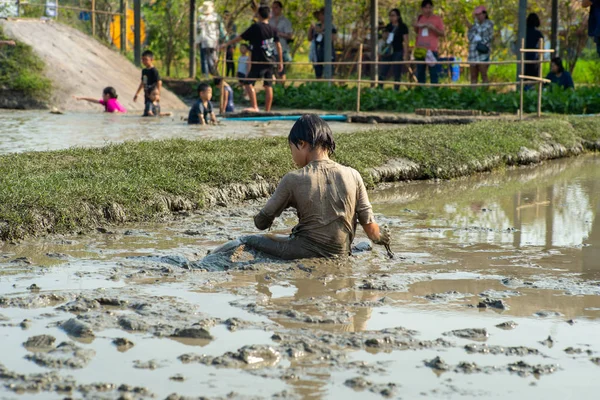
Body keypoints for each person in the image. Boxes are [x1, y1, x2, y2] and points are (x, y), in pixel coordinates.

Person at [209, 114, 392, 260]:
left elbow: (261, 224)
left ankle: (205, 261)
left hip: (303, 251)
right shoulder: (353, 175)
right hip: (341, 253)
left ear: (302, 144)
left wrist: (270, 212)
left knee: (246, 240)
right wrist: (382, 237)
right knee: (365, 245)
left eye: (292, 149)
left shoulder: (294, 179)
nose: (292, 156)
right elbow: (371, 230)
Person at [220, 6, 283, 112]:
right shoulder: (273, 29)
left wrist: (227, 44)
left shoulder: (256, 27)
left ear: (258, 15)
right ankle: (267, 110)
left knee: (248, 83)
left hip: (258, 61)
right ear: (269, 15)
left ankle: (255, 106)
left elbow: (240, 37)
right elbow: (278, 46)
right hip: (271, 60)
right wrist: (280, 62)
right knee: (268, 86)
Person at [413, 0, 445, 84]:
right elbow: (416, 31)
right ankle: (421, 91)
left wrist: (433, 28)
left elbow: (442, 33)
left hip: (431, 49)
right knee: (420, 73)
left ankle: (433, 92)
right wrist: (416, 25)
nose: (428, 10)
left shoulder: (437, 19)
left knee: (433, 73)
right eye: (426, 8)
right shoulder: (420, 18)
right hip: (420, 49)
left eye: (430, 7)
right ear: (422, 9)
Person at [378, 8, 409, 90]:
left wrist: (406, 54)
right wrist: (384, 35)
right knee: (383, 71)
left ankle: (396, 90)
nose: (391, 17)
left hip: (398, 51)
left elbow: (406, 40)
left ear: (398, 16)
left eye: (393, 15)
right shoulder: (388, 26)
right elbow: (384, 38)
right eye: (390, 16)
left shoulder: (403, 27)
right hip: (388, 51)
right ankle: (379, 88)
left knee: (397, 72)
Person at [467, 5, 494, 84]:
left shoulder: (489, 24)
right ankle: (473, 93)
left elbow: (484, 34)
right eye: (476, 15)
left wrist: (473, 29)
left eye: (479, 14)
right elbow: (470, 37)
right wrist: (472, 29)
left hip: (482, 54)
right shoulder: (474, 25)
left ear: (484, 14)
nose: (478, 17)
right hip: (473, 54)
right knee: (473, 76)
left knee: (483, 75)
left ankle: (484, 94)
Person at [197, 1, 225, 77]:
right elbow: (221, 29)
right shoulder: (216, 17)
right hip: (214, 41)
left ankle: (206, 75)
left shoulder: (201, 18)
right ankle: (214, 73)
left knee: (205, 59)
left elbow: (200, 31)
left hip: (204, 40)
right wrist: (224, 38)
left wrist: (197, 41)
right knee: (212, 58)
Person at [308, 7, 337, 79]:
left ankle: (329, 86)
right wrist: (310, 29)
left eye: (322, 14)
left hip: (328, 51)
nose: (320, 16)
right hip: (317, 51)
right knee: (318, 73)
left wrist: (321, 31)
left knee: (329, 72)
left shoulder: (331, 26)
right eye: (320, 15)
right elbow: (309, 38)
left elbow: (333, 38)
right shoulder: (317, 25)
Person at [133, 50, 162, 116]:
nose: (144, 61)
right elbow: (143, 82)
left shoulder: (154, 71)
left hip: (153, 94)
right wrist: (137, 93)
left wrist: (158, 95)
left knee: (152, 109)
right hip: (147, 93)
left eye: (146, 59)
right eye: (142, 60)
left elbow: (159, 82)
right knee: (147, 108)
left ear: (151, 59)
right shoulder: (144, 71)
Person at [269, 1, 293, 82]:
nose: (274, 9)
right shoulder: (269, 20)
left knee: (281, 70)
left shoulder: (285, 21)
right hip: (271, 48)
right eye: (272, 8)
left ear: (280, 9)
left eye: (276, 7)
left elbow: (290, 35)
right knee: (272, 70)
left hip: (281, 48)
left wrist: (279, 34)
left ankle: (281, 87)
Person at [524, 13, 544, 82]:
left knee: (524, 78)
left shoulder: (523, 32)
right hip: (534, 58)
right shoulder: (538, 34)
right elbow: (540, 47)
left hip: (524, 57)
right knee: (534, 79)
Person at [224, 10, 237, 77]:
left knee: (230, 59)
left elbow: (234, 36)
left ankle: (232, 74)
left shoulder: (232, 25)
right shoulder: (224, 24)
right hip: (225, 44)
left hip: (231, 44)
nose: (226, 16)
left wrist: (233, 46)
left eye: (227, 15)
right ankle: (227, 73)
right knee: (226, 59)